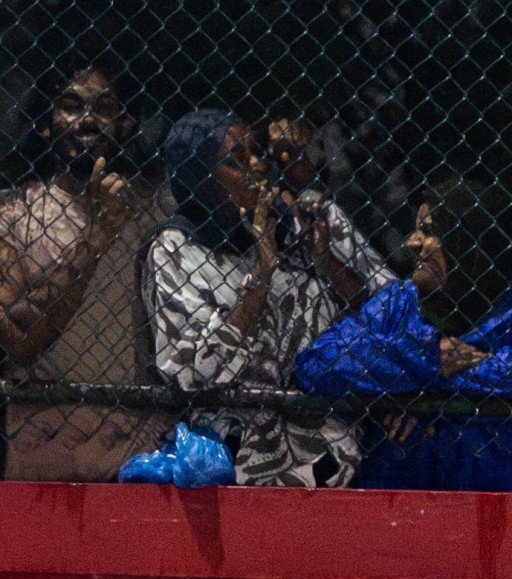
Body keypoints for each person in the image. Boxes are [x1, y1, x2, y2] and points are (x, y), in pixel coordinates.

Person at [142, 109, 395, 487]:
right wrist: (261, 273)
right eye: (235, 161)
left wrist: (326, 261)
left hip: (332, 454)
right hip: (237, 462)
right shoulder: (176, 250)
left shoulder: (303, 221)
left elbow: (390, 305)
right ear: (199, 179)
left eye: (256, 152)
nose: (257, 166)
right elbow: (192, 371)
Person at [0, 49, 175, 482]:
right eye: (71, 107)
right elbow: (16, 338)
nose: (87, 121)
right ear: (45, 121)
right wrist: (97, 238)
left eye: (103, 107)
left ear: (126, 123)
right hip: (43, 450)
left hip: (134, 448)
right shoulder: (13, 212)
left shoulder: (155, 209)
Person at [296, 184, 512, 490]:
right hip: (393, 505)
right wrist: (428, 357)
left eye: (427, 231)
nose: (412, 243)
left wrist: (409, 393)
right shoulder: (400, 302)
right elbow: (315, 364)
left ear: (468, 242)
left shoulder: (506, 313)